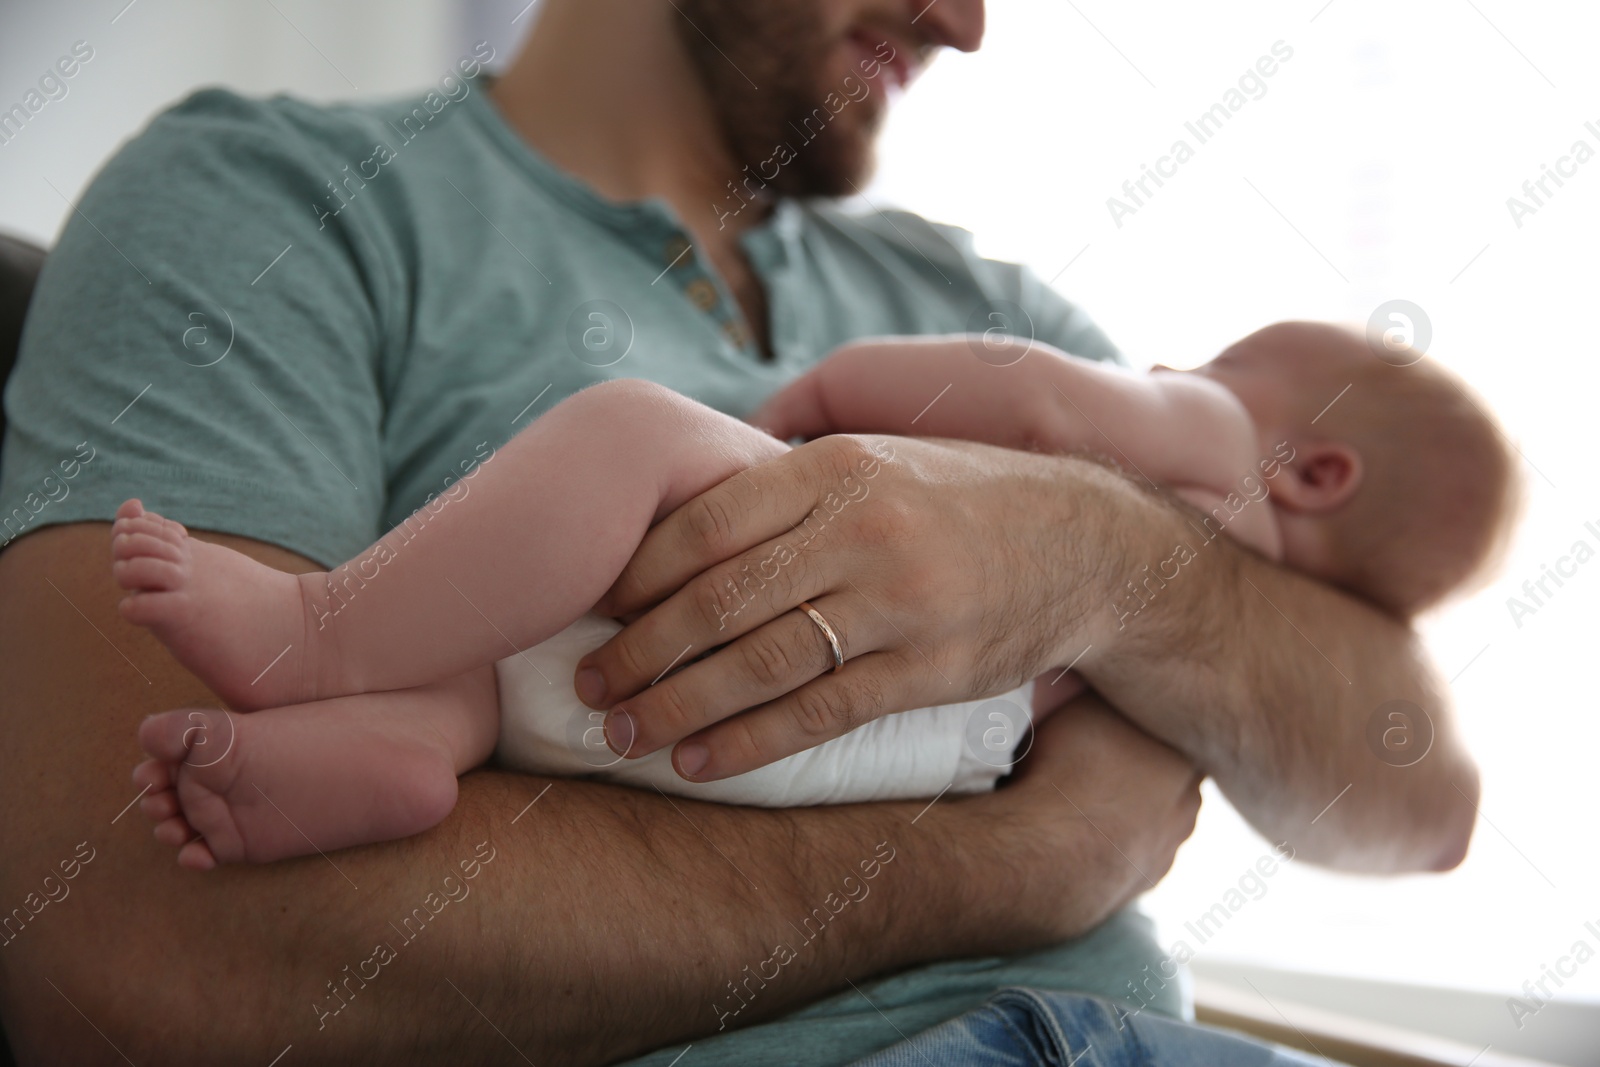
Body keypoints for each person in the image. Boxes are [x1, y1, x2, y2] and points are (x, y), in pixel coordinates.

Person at [0, 0, 1478, 1063]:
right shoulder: (273, 204)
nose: (969, 22)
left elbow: (1420, 800)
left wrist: (1093, 560)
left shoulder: (1023, 324)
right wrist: (1020, 864)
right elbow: (135, 953)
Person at [111, 320, 1516, 870]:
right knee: (529, 656)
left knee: (626, 435)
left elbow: (1023, 386)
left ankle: (320, 640)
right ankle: (402, 758)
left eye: (1233, 356)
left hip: (845, 654)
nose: (1189, 368)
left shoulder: (1217, 442)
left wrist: (841, 395)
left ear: (1317, 464)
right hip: (900, 764)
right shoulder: (1255, 558)